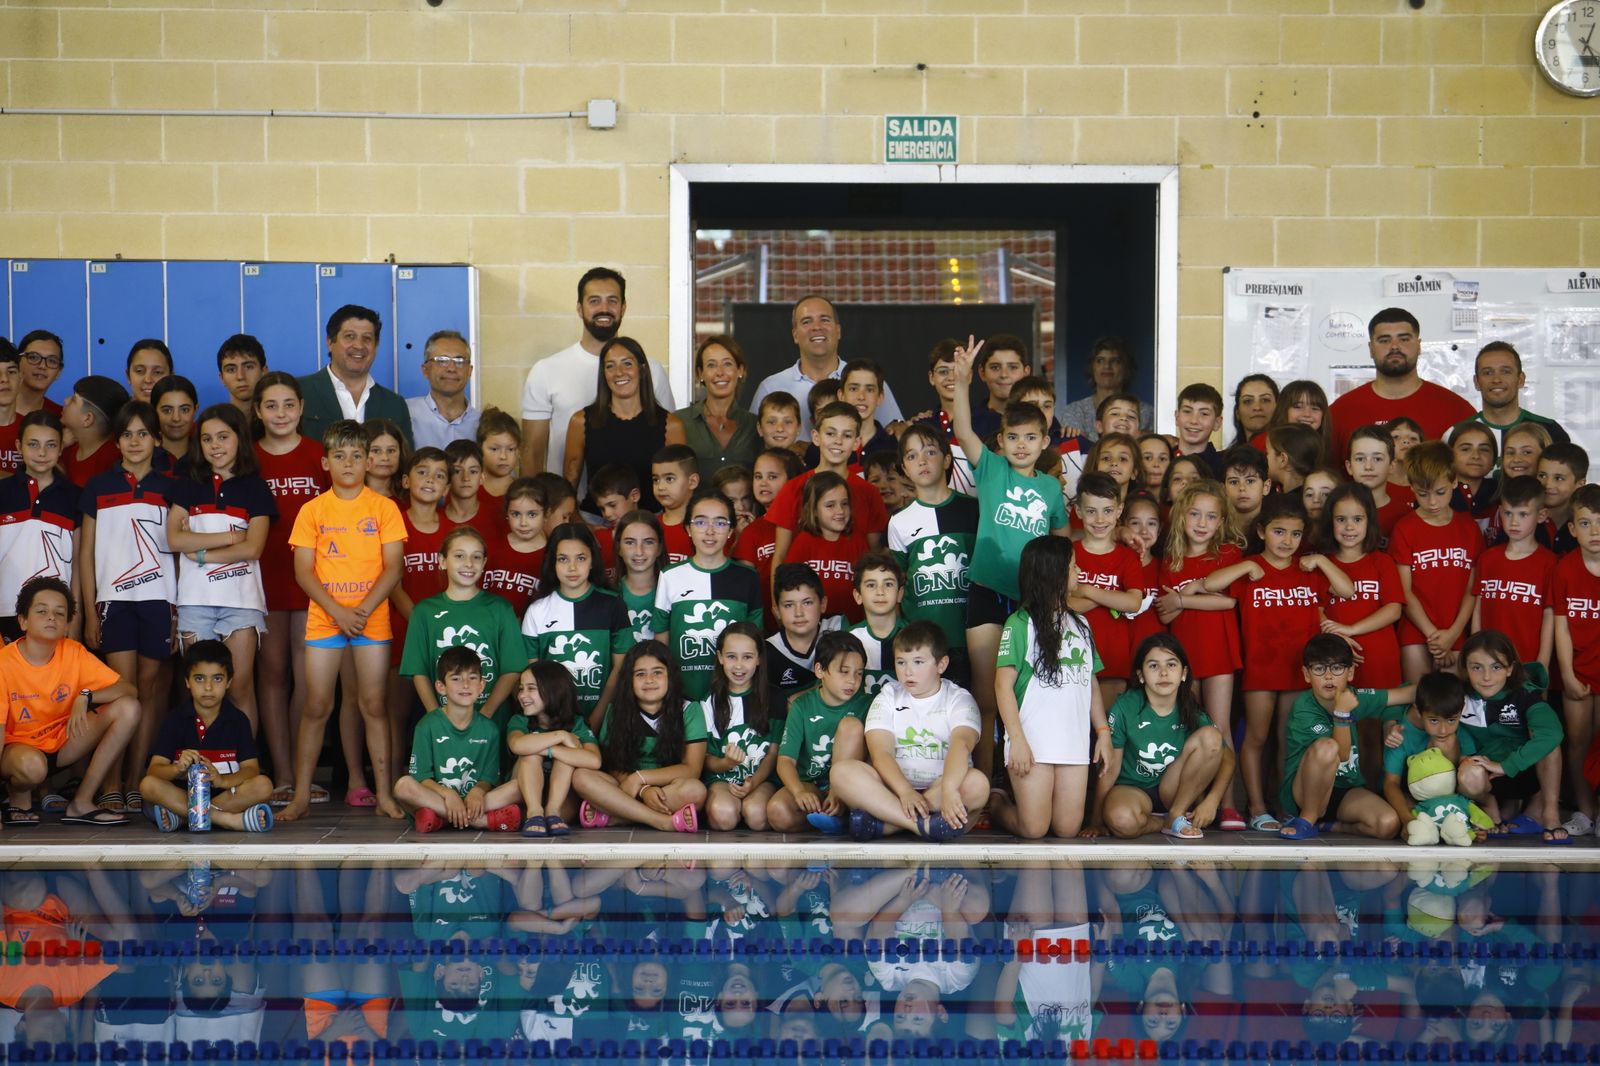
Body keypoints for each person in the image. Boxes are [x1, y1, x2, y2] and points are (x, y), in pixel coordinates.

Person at [947, 335, 1070, 779]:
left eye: (1030, 438)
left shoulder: (1052, 488)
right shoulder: (991, 468)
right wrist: (961, 382)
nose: (1021, 445)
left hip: (1030, 600)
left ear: (1044, 441)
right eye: (1013, 437)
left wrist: (1059, 591)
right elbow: (962, 430)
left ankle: (1021, 777)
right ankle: (984, 781)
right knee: (984, 695)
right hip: (985, 593)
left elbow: (1062, 543)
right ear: (1000, 441)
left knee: (1025, 691)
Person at [1202, 495, 1355, 833]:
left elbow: (1347, 590)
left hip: (1299, 671)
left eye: (1296, 534)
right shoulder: (1251, 569)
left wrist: (1323, 563)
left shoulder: (1308, 570)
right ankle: (1256, 806)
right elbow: (1209, 585)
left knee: (1289, 739)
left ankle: (1282, 804)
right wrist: (1245, 565)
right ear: (1262, 531)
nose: (1287, 541)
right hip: (1260, 669)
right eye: (1279, 532)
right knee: (1257, 737)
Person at [281, 420, 407, 823]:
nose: (349, 463)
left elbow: (393, 569)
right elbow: (304, 571)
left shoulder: (384, 507)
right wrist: (337, 611)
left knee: (373, 704)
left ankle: (385, 793)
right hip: (325, 620)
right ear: (325, 462)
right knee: (317, 705)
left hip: (370, 621)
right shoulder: (312, 510)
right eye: (340, 455)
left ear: (369, 461)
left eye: (357, 455)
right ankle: (300, 795)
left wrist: (363, 611)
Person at [79, 400, 176, 810]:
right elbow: (85, 554)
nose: (135, 442)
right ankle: (110, 783)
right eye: (126, 434)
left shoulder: (171, 486)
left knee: (152, 691)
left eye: (143, 433)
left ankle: (138, 779)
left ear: (156, 438)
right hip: (114, 602)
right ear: (116, 441)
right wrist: (86, 609)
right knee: (124, 692)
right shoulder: (99, 486)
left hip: (158, 600)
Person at [165, 404, 277, 735]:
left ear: (239, 439)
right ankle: (201, 773)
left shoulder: (255, 487)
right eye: (207, 439)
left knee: (240, 689)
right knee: (200, 694)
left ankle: (243, 770)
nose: (215, 445)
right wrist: (230, 537)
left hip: (241, 602)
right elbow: (173, 538)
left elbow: (253, 548)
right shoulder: (188, 484)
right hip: (194, 602)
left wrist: (198, 553)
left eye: (223, 437)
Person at [989, 536, 1106, 840]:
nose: (1079, 571)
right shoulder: (1019, 623)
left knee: (1067, 830)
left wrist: (1103, 733)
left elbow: (1090, 680)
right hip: (1032, 742)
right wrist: (1017, 740)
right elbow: (1002, 686)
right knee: (1034, 829)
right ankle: (997, 803)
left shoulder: (1081, 624)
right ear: (1053, 573)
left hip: (1074, 742)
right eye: (1072, 566)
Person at [829, 621, 987, 841]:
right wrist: (905, 792)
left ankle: (887, 824)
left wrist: (950, 789)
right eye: (901, 662)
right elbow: (880, 753)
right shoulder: (887, 696)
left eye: (919, 662)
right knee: (841, 773)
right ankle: (923, 825)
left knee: (977, 784)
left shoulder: (959, 698)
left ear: (941, 664)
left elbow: (961, 745)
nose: (908, 671)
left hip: (940, 790)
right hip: (894, 791)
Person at [0, 577, 139, 827]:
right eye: (42, 611)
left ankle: (81, 802)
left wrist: (86, 696)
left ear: (66, 624)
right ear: (23, 621)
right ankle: (16, 796)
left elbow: (128, 689)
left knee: (129, 708)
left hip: (63, 744)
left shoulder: (73, 652)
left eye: (59, 613)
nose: (51, 618)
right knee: (32, 766)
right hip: (18, 755)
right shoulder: (4, 663)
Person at [252, 373, 328, 804]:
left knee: (308, 678)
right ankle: (282, 774)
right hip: (258, 579)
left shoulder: (320, 457)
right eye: (271, 405)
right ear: (258, 411)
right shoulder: (246, 458)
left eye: (288, 405)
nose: (280, 414)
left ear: (301, 408)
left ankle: (304, 773)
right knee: (272, 674)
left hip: (311, 581)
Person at [520, 268, 674, 477]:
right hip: (569, 505)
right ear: (579, 308)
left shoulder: (651, 370)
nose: (604, 308)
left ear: (623, 307)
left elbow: (668, 447)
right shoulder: (546, 371)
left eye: (612, 300)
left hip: (643, 507)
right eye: (594, 301)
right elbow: (532, 453)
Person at [1154, 481, 1246, 828]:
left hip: (1219, 651)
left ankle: (1227, 803)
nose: (1202, 522)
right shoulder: (1172, 559)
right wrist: (1182, 600)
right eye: (1195, 514)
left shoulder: (1227, 556)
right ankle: (1189, 801)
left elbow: (1229, 601)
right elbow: (1165, 612)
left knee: (1220, 728)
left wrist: (1183, 599)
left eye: (1211, 516)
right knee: (1192, 729)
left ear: (1221, 521)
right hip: (1184, 656)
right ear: (1181, 517)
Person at [1277, 634, 1413, 840]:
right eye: (1319, 669)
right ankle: (1307, 818)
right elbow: (1341, 754)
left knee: (1387, 824)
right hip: (1305, 791)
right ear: (1306, 674)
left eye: (1337, 668)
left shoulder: (1354, 696)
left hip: (1344, 790)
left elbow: (1409, 693)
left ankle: (1329, 826)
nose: (1329, 676)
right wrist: (1341, 714)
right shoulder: (1304, 707)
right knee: (1326, 747)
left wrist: (1390, 720)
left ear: (1350, 673)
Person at [1096, 634, 1232, 840]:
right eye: (1153, 666)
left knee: (1211, 737)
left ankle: (1177, 813)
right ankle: (1165, 822)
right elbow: (1110, 769)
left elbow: (1228, 757)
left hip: (1175, 791)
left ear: (1183, 673)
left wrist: (1213, 800)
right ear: (1140, 675)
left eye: (1171, 665)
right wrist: (1096, 821)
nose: (1163, 673)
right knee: (1122, 821)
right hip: (1133, 790)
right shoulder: (1125, 707)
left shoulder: (1191, 710)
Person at [138, 640, 274, 833]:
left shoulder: (237, 720)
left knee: (263, 785)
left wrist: (222, 781)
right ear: (187, 681)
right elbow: (154, 771)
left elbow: (251, 770)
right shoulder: (175, 719)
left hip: (225, 797)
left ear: (229, 682)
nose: (208, 687)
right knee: (148, 785)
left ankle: (184, 818)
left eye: (217, 679)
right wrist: (177, 769)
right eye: (199, 679)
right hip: (182, 795)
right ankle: (224, 820)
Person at [571, 640, 706, 832]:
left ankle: (619, 817)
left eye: (657, 672)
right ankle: (660, 820)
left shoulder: (689, 709)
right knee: (581, 777)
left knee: (695, 790)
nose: (649, 680)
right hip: (624, 786)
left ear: (671, 676)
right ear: (629, 679)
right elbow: (612, 765)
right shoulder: (616, 710)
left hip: (667, 788)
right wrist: (643, 790)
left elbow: (692, 769)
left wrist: (641, 779)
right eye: (640, 674)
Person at [399, 527, 526, 726]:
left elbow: (512, 670)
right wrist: (437, 718)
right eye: (459, 556)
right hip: (443, 722)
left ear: (484, 563)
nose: (468, 563)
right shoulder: (424, 611)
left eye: (476, 557)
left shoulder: (500, 609)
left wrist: (485, 715)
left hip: (492, 723)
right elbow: (419, 671)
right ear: (442, 561)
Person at [393, 646, 522, 834]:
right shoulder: (427, 726)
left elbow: (489, 778)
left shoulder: (490, 730)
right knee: (403, 786)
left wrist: (478, 791)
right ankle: (480, 821)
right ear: (441, 687)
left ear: (481, 685)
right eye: (456, 678)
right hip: (440, 798)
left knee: (519, 786)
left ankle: (442, 818)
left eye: (472, 678)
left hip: (475, 801)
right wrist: (448, 794)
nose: (465, 685)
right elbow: (421, 777)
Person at [888, 426, 978, 686]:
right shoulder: (899, 522)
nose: (922, 461)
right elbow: (899, 582)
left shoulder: (974, 509)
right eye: (912, 456)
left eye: (930, 452)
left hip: (971, 637)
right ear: (904, 467)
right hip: (923, 646)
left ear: (947, 460)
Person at [654, 491, 763, 702]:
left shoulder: (747, 577)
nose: (710, 531)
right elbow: (661, 643)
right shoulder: (670, 576)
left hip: (734, 696)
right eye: (701, 522)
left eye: (720, 523)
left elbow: (755, 641)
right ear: (688, 528)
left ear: (731, 530)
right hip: (683, 697)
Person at [1458, 630, 1566, 842]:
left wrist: (1506, 765)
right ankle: (1493, 810)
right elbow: (1420, 697)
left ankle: (1550, 815)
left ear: (1510, 669)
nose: (1486, 677)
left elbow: (1552, 733)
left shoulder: (1524, 696)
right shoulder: (1458, 694)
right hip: (1488, 780)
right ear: (1465, 669)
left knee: (1549, 744)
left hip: (1525, 773)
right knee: (1468, 772)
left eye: (1496, 667)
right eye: (1477, 668)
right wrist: (1393, 725)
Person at [521, 522, 631, 730]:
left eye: (581, 558)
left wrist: (599, 715)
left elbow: (621, 666)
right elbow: (531, 674)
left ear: (592, 561)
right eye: (563, 559)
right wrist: (550, 718)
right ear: (552, 562)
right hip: (550, 721)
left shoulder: (613, 604)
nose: (572, 568)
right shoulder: (537, 610)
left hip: (605, 718)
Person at [749, 295, 904, 441]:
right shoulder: (770, 387)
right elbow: (755, 446)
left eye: (825, 320)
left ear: (838, 331)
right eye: (806, 321)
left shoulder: (868, 381)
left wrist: (900, 424)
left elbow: (895, 430)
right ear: (795, 335)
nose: (816, 327)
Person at [1328, 308, 1477, 456]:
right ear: (1371, 348)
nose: (1394, 346)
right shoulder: (1340, 412)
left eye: (1404, 339)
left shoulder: (1456, 410)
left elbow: (1471, 477)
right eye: (1384, 340)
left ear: (1419, 346)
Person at [1390, 441, 1482, 680]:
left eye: (1440, 493)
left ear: (1454, 482)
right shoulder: (1405, 529)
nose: (1432, 502)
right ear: (1411, 487)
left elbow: (1473, 589)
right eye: (1423, 494)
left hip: (1456, 629)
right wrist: (1432, 635)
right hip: (1416, 630)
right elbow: (1404, 591)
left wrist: (1452, 634)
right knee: (1417, 698)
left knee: (1453, 704)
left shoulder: (1469, 529)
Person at [564, 336, 685, 511]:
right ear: (603, 374)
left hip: (651, 524)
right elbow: (569, 482)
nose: (619, 372)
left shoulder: (671, 426)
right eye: (610, 366)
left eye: (627, 363)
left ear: (642, 369)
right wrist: (583, 525)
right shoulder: (580, 421)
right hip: (596, 523)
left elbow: (679, 490)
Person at [766, 630, 870, 833]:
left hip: (851, 786)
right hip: (811, 785)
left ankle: (842, 808)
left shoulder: (869, 704)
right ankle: (833, 821)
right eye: (843, 671)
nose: (852, 681)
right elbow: (786, 761)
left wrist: (840, 791)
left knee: (851, 725)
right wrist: (798, 793)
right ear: (820, 670)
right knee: (777, 812)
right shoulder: (802, 706)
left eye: (859, 673)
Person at [1379, 671, 1491, 842]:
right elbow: (1391, 783)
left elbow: (1467, 780)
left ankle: (1461, 822)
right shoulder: (1400, 734)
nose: (1443, 729)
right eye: (1434, 721)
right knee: (1406, 810)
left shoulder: (1459, 732)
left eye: (1451, 720)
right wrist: (1407, 819)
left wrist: (1469, 820)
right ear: (1417, 708)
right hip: (1412, 796)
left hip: (1451, 797)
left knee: (1456, 751)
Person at [0, 413, 80, 644]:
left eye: (51, 445)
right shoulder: (3, 492)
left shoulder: (75, 496)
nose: (42, 453)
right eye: (33, 444)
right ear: (19, 446)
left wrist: (75, 614)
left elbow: (77, 563)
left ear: (60, 448)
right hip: (6, 608)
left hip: (55, 615)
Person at [694, 622, 780, 831]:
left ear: (759, 658)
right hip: (722, 779)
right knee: (724, 815)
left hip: (762, 779)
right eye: (732, 657)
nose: (739, 666)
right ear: (720, 657)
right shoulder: (709, 702)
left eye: (747, 657)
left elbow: (773, 753)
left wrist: (754, 781)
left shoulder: (774, 698)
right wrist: (726, 762)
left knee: (757, 815)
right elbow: (705, 760)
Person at [1068, 473, 1146, 701]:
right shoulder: (1068, 553)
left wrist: (1087, 590)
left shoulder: (1127, 557)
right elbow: (1066, 605)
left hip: (1113, 660)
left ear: (1119, 511)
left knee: (1109, 734)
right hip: (1071, 660)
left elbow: (1133, 602)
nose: (1100, 519)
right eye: (1091, 511)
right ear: (1079, 511)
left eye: (1108, 511)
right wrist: (1112, 597)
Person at [1319, 483, 1404, 690]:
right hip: (1335, 658)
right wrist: (1338, 637)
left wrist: (1352, 629)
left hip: (1378, 657)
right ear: (1330, 522)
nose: (1349, 527)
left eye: (1357, 519)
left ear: (1370, 521)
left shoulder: (1382, 562)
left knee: (1381, 717)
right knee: (1340, 718)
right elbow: (1315, 611)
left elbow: (1394, 610)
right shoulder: (1321, 564)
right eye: (1341, 520)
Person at [297, 304, 414, 449]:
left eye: (367, 338)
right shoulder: (299, 392)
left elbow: (405, 461)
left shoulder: (395, 404)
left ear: (376, 346)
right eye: (349, 336)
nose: (359, 345)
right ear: (330, 342)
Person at [1471, 475, 1557, 669]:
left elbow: (1549, 616)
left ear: (1542, 515)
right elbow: (1478, 608)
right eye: (1508, 513)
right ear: (1500, 512)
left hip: (1528, 662)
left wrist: (1541, 664)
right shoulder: (1487, 559)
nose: (1514, 522)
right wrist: (1474, 652)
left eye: (1523, 514)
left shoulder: (1549, 563)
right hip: (1488, 663)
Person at [505, 660, 597, 837]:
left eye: (531, 688)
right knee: (529, 754)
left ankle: (551, 811)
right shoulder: (520, 721)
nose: (522, 695)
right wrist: (561, 736)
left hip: (561, 805)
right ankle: (534, 813)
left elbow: (594, 760)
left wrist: (551, 750)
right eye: (521, 688)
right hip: (524, 798)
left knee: (566, 757)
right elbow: (517, 745)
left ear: (554, 690)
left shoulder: (576, 722)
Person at [1554, 483, 1600, 837]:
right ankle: (1585, 811)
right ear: (1572, 529)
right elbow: (1562, 627)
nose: (1594, 531)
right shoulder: (1566, 568)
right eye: (1585, 523)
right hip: (1579, 673)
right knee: (1578, 742)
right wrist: (1567, 674)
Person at [1458, 341, 1568, 461]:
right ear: (1476, 382)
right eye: (1487, 372)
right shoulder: (1457, 434)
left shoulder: (1550, 431)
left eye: (1505, 371)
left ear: (1520, 379)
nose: (1496, 379)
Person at [678, 335, 759, 481]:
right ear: (700, 374)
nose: (720, 372)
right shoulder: (679, 422)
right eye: (711, 365)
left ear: (740, 370)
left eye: (727, 364)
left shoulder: (755, 426)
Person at [1059, 336, 1154, 441]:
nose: (1107, 366)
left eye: (1115, 361)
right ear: (1092, 367)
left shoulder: (1146, 412)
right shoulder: (1074, 411)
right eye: (1100, 360)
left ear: (1127, 368)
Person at [405, 330, 479, 451]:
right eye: (442, 360)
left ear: (470, 371)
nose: (451, 368)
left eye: (459, 361)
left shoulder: (481, 424)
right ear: (425, 370)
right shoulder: (406, 413)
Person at [60, 375, 129, 487]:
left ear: (87, 418)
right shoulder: (67, 450)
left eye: (73, 399)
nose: (65, 400)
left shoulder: (115, 461)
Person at [1172, 383, 1225, 475]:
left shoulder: (1224, 467)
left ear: (1217, 423)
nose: (1194, 421)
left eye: (1204, 414)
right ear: (1177, 417)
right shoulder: (1163, 460)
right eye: (1187, 411)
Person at [14, 330, 65, 416]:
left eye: (52, 361)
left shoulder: (62, 418)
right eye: (33, 357)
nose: (42, 366)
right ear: (18, 362)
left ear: (59, 372)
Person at [216, 334, 266, 418]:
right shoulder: (213, 427)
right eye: (231, 370)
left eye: (249, 367)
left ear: (264, 371)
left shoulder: (281, 423)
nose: (240, 376)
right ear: (221, 378)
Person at [1229, 374, 1278, 448]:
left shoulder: (1291, 455)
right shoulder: (1226, 458)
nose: (1257, 407)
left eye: (1265, 400)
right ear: (1237, 413)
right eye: (1248, 401)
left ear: (1278, 407)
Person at [124, 340, 172, 406]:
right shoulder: (115, 415)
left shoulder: (179, 415)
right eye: (139, 371)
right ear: (128, 376)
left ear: (171, 377)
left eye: (157, 372)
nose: (148, 380)